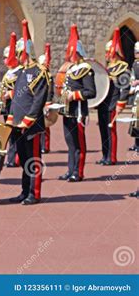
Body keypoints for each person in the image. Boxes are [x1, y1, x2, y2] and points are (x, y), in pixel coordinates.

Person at [7, 19, 49, 205]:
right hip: (18, 124)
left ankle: (35, 193)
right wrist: (12, 118)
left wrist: (27, 120)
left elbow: (38, 100)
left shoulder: (39, 72)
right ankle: (25, 191)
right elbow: (18, 98)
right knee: (24, 161)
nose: (18, 57)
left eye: (19, 53)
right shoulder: (22, 72)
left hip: (31, 125)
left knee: (33, 161)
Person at [58, 25, 96, 182]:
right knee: (70, 141)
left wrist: (73, 95)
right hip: (68, 110)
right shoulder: (71, 68)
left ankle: (78, 172)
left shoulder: (86, 69)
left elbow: (91, 92)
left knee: (79, 143)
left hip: (79, 111)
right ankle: (70, 169)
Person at [97, 28, 131, 165]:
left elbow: (125, 88)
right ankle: (105, 155)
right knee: (103, 131)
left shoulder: (123, 68)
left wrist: (121, 104)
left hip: (113, 103)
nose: (106, 55)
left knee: (110, 131)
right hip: (103, 103)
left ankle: (111, 157)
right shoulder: (107, 68)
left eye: (108, 52)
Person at [0, 32, 21, 167]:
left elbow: (21, 91)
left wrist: (10, 94)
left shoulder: (19, 72)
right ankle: (11, 158)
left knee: (15, 134)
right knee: (9, 132)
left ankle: (14, 158)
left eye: (7, 57)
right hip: (7, 106)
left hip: (15, 106)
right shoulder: (9, 72)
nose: (4, 60)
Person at [38, 43, 54, 154]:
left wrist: (47, 103)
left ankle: (46, 146)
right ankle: (40, 144)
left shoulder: (49, 76)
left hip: (45, 102)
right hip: (38, 102)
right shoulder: (39, 74)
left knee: (46, 125)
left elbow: (50, 91)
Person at [128, 41, 139, 152]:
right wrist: (132, 82)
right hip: (137, 93)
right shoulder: (135, 64)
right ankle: (136, 143)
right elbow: (132, 75)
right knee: (136, 118)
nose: (136, 54)